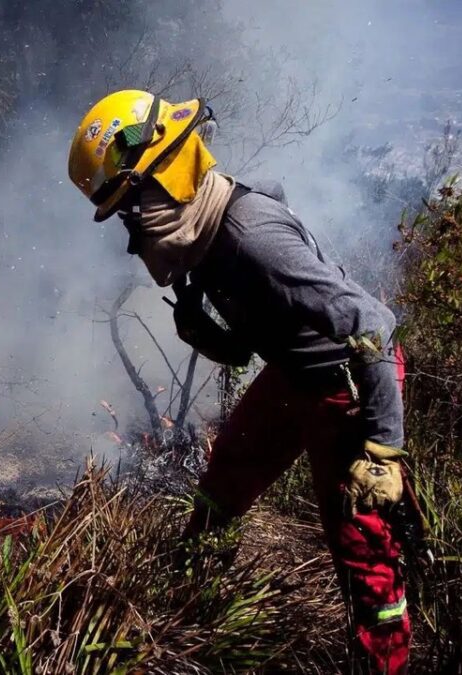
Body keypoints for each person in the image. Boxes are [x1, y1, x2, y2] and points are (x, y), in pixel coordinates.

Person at [67, 90, 417, 674]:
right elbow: (244, 347)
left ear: (164, 178)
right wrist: (208, 334)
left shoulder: (252, 239)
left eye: (133, 208)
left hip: (345, 386)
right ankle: (189, 606)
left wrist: (384, 449)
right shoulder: (198, 233)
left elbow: (374, 326)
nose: (132, 228)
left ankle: (386, 662)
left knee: (364, 549)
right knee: (223, 479)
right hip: (291, 374)